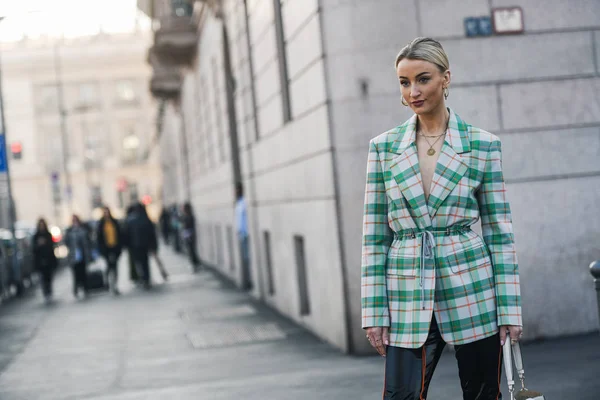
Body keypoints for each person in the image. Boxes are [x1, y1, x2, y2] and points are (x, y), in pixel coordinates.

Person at [361, 37, 523, 400]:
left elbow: (499, 232)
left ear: (445, 78)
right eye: (404, 82)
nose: (413, 91)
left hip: (472, 286)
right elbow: (374, 236)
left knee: (483, 394)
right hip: (406, 291)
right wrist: (374, 311)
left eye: (423, 79)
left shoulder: (482, 145)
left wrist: (510, 309)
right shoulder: (383, 148)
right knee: (399, 395)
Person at [124, 203, 158, 289]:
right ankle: (146, 279)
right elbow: (152, 234)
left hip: (136, 246)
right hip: (144, 245)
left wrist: (128, 245)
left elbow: (127, 234)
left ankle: (143, 278)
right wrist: (153, 246)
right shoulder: (145, 219)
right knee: (145, 263)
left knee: (139, 263)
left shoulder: (131, 220)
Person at [96, 206, 123, 295]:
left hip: (114, 248)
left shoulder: (114, 222)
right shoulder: (101, 224)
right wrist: (102, 250)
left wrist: (119, 247)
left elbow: (119, 235)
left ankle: (114, 285)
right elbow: (99, 238)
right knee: (109, 267)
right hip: (106, 249)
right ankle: (108, 283)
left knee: (115, 267)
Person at [65, 214, 92, 299]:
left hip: (82, 255)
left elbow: (87, 242)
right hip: (74, 256)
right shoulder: (69, 231)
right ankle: (76, 289)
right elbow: (66, 242)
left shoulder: (83, 230)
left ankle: (85, 288)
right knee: (76, 274)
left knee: (83, 272)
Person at [32, 218, 57, 303]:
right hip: (40, 260)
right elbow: (33, 249)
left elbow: (52, 246)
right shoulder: (36, 236)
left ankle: (49, 291)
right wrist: (38, 245)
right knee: (43, 279)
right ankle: (46, 292)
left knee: (49, 277)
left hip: (49, 259)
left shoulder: (48, 235)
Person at [235, 183, 252, 290]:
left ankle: (249, 281)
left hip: (246, 234)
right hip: (242, 234)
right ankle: (247, 281)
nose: (236, 192)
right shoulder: (239, 203)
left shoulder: (244, 202)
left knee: (248, 257)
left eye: (237, 190)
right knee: (245, 258)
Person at [181, 202, 201, 272]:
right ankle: (195, 263)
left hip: (190, 235)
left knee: (191, 251)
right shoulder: (186, 216)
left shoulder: (189, 216)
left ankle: (194, 264)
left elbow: (187, 226)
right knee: (191, 251)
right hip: (188, 235)